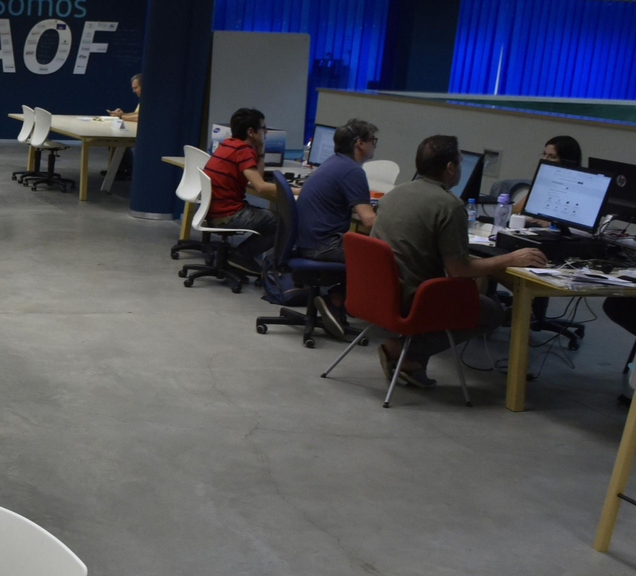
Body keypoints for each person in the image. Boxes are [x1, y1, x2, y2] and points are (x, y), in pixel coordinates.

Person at [369, 135, 547, 388]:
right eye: (460, 163)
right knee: (492, 312)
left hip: (380, 292)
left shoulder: (393, 194)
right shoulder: (449, 206)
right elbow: (458, 270)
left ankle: (409, 357)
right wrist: (510, 259)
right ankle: (406, 352)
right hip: (415, 297)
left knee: (474, 293)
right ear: (450, 168)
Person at [294, 119, 379, 335]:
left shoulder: (333, 163)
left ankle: (336, 299)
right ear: (360, 144)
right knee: (380, 258)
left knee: (364, 248)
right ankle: (335, 299)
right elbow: (369, 221)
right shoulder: (352, 171)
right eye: (373, 140)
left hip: (308, 240)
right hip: (323, 245)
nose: (374, 145)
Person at [204, 107, 284, 275]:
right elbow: (261, 187)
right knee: (281, 223)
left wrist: (260, 153)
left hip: (215, 212)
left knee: (269, 217)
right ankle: (241, 255)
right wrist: (298, 190)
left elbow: (257, 178)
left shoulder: (228, 143)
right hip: (227, 215)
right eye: (263, 128)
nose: (265, 132)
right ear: (251, 132)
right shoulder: (243, 150)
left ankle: (240, 256)